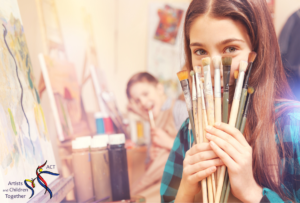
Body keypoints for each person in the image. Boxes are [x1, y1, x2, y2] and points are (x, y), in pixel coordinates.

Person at [160, 0, 300, 202]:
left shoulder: (292, 125)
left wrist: (251, 192)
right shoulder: (188, 131)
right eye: (200, 51)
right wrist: (184, 193)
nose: (215, 67)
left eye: (231, 48)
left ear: (258, 51)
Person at [126, 72, 188, 193]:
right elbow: (149, 169)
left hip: (177, 186)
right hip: (157, 183)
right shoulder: (153, 120)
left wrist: (170, 143)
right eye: (137, 101)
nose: (143, 102)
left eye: (145, 94)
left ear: (159, 89)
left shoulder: (179, 109)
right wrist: (151, 158)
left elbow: (198, 150)